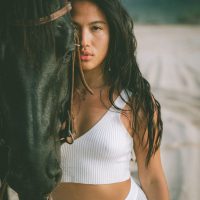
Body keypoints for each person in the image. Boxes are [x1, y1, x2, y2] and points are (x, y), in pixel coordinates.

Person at [52, 0, 169, 199]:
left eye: (96, 27)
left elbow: (152, 178)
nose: (83, 40)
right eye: (73, 27)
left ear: (113, 34)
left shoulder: (135, 102)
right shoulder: (44, 100)